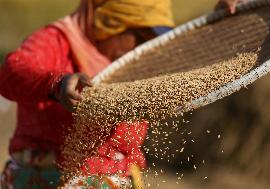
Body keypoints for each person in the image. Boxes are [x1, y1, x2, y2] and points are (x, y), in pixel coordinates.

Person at [0, 0, 243, 188]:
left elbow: (190, 63)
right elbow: (11, 73)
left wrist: (223, 25)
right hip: (46, 177)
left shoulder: (142, 59)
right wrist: (55, 83)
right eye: (138, 37)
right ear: (109, 24)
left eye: (151, 40)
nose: (143, 49)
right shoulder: (56, 41)